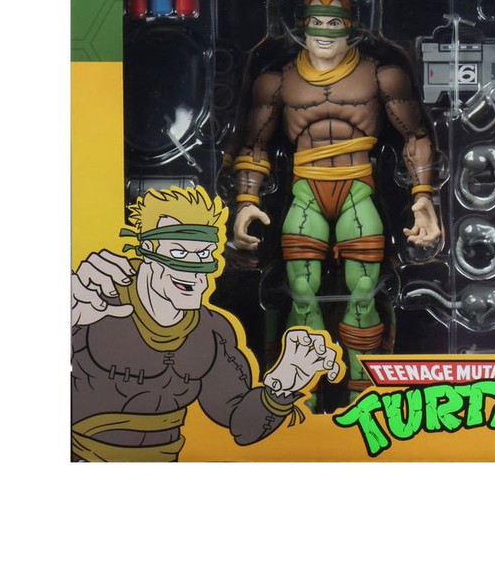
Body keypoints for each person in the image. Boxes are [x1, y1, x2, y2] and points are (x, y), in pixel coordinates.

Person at [231, 0, 440, 399]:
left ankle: (363, 394)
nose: (324, 32)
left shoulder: (382, 76)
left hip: (357, 190)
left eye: (334, 23)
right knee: (301, 292)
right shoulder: (277, 81)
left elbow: (416, 136)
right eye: (316, 22)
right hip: (305, 191)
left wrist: (422, 197)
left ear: (351, 29)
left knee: (363, 293)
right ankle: (300, 393)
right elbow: (254, 146)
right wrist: (246, 202)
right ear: (301, 27)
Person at [71, 186, 342, 462]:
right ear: (149, 250)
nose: (193, 271)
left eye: (203, 254)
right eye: (179, 253)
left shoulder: (210, 332)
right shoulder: (97, 298)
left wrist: (280, 386)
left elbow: (240, 424)